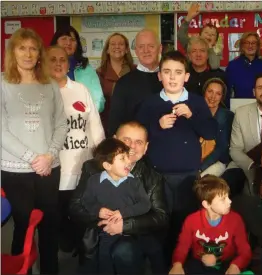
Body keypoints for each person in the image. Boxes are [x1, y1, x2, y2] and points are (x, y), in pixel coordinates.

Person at [135, 50, 218, 260]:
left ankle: (184, 264)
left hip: (188, 175)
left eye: (178, 72)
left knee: (186, 223)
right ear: (159, 75)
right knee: (161, 224)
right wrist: (157, 126)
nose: (172, 77)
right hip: (158, 175)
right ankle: (162, 265)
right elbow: (137, 135)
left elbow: (210, 133)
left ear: (186, 77)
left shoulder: (197, 103)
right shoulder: (150, 103)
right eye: (167, 72)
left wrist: (191, 116)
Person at [1, 28, 68, 274]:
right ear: (12, 52)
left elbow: (61, 123)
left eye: (33, 48)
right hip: (15, 171)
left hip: (50, 168)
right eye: (22, 48)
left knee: (50, 228)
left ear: (39, 53)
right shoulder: (2, 83)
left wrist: (49, 156)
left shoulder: (49, 84)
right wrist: (33, 159)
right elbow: (1, 132)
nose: (28, 54)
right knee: (22, 227)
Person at [70, 121, 168, 274]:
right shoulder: (92, 168)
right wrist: (100, 217)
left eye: (139, 142)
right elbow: (76, 206)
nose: (131, 147)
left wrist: (124, 225)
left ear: (146, 147)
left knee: (123, 250)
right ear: (114, 139)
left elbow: (160, 217)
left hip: (135, 235)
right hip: (98, 232)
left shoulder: (152, 178)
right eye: (126, 140)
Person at [47, 45, 105, 252]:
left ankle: (83, 254)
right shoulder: (41, 92)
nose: (58, 64)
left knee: (82, 215)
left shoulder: (80, 89)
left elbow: (95, 125)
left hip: (82, 165)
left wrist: (101, 158)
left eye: (62, 59)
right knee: (58, 216)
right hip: (54, 168)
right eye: (52, 59)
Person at [81, 137, 151, 274]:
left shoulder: (133, 182)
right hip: (105, 232)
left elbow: (145, 204)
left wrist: (122, 213)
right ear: (107, 165)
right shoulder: (94, 181)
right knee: (104, 261)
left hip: (130, 232)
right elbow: (86, 200)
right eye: (122, 159)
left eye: (127, 157)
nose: (129, 161)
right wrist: (98, 210)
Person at [169, 175, 251, 275]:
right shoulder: (191, 220)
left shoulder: (235, 219)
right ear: (206, 204)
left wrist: (236, 265)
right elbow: (182, 246)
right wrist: (177, 264)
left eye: (228, 196)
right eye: (223, 199)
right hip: (199, 264)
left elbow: (245, 250)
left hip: (226, 264)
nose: (229, 201)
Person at [108, 29, 163, 136]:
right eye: (141, 47)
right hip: (135, 148)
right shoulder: (123, 84)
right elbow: (114, 126)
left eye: (151, 46)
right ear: (136, 51)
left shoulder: (172, 80)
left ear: (160, 49)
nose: (146, 50)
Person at [51, 26, 105, 113]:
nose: (68, 43)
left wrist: (86, 116)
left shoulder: (86, 69)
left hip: (81, 122)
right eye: (64, 38)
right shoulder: (45, 67)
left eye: (72, 40)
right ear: (55, 42)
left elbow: (99, 100)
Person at [97, 33, 136, 135]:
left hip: (132, 127)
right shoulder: (99, 73)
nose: (117, 47)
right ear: (107, 50)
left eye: (121, 44)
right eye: (113, 44)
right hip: (107, 127)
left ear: (127, 49)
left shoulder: (135, 71)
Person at [200, 78, 234, 177]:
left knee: (199, 180)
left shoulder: (228, 116)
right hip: (196, 159)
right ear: (204, 92)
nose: (213, 97)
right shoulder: (194, 113)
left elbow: (222, 148)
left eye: (218, 94)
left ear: (222, 97)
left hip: (217, 161)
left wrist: (200, 168)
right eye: (210, 91)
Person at [225, 32, 262, 107]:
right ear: (242, 46)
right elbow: (227, 92)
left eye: (253, 43)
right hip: (238, 107)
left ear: (258, 46)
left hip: (259, 107)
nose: (250, 45)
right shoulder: (233, 65)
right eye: (247, 43)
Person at [178, 3, 221, 70]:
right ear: (199, 35)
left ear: (215, 42)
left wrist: (209, 48)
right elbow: (181, 35)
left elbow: (214, 66)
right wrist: (188, 18)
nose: (209, 35)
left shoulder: (215, 53)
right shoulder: (191, 44)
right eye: (206, 32)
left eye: (212, 35)